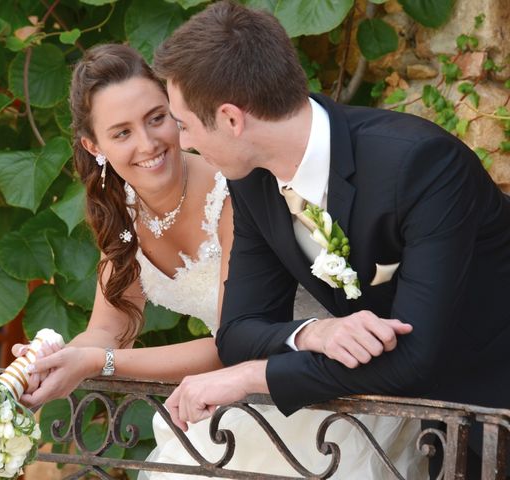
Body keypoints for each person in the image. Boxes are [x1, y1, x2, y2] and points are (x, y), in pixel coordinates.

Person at [14, 44, 427, 478]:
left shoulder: (233, 191)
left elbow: (230, 340)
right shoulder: (120, 211)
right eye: (122, 133)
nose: (148, 143)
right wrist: (47, 362)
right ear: (93, 145)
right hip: (233, 399)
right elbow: (108, 329)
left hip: (316, 386)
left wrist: (97, 363)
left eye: (157, 118)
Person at [153, 0, 510, 474]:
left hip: (494, 400)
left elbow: (415, 356)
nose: (182, 143)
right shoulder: (253, 182)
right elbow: (238, 332)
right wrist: (315, 331)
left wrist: (249, 378)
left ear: (232, 119)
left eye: (185, 125)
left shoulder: (421, 165)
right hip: (419, 425)